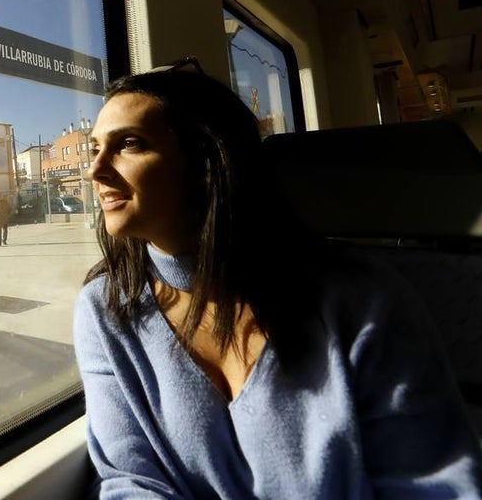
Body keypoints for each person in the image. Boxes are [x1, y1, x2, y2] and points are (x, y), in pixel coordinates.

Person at [73, 60, 482, 498]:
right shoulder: (106, 310)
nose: (96, 171)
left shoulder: (361, 300)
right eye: (94, 148)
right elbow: (130, 480)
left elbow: (429, 485)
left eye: (129, 144)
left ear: (206, 161)